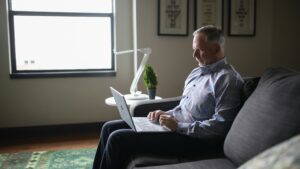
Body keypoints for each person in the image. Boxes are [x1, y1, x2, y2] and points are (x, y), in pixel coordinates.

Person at [93, 25, 244, 169]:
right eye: (193, 50)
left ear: (216, 48)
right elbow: (184, 107)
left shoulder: (228, 80)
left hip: (194, 139)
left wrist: (178, 127)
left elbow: (221, 126)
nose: (194, 55)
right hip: (175, 128)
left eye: (199, 50)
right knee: (108, 127)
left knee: (117, 138)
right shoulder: (196, 73)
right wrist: (166, 114)